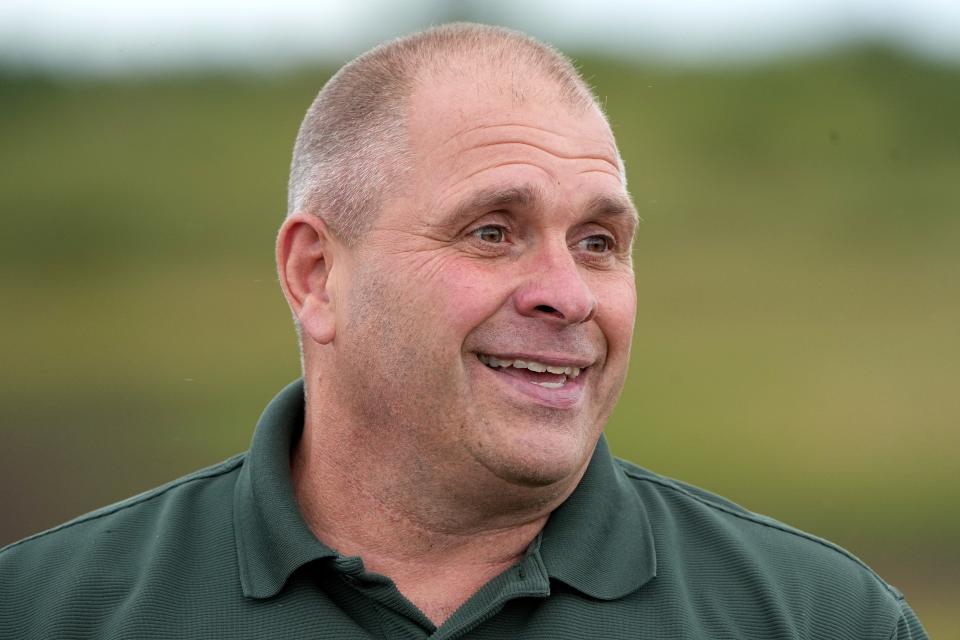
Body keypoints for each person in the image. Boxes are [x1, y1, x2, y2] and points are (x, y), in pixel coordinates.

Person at [0, 23, 927, 639]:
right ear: (315, 275)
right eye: (493, 231)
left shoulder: (818, 618)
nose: (569, 295)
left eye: (599, 242)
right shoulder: (47, 610)